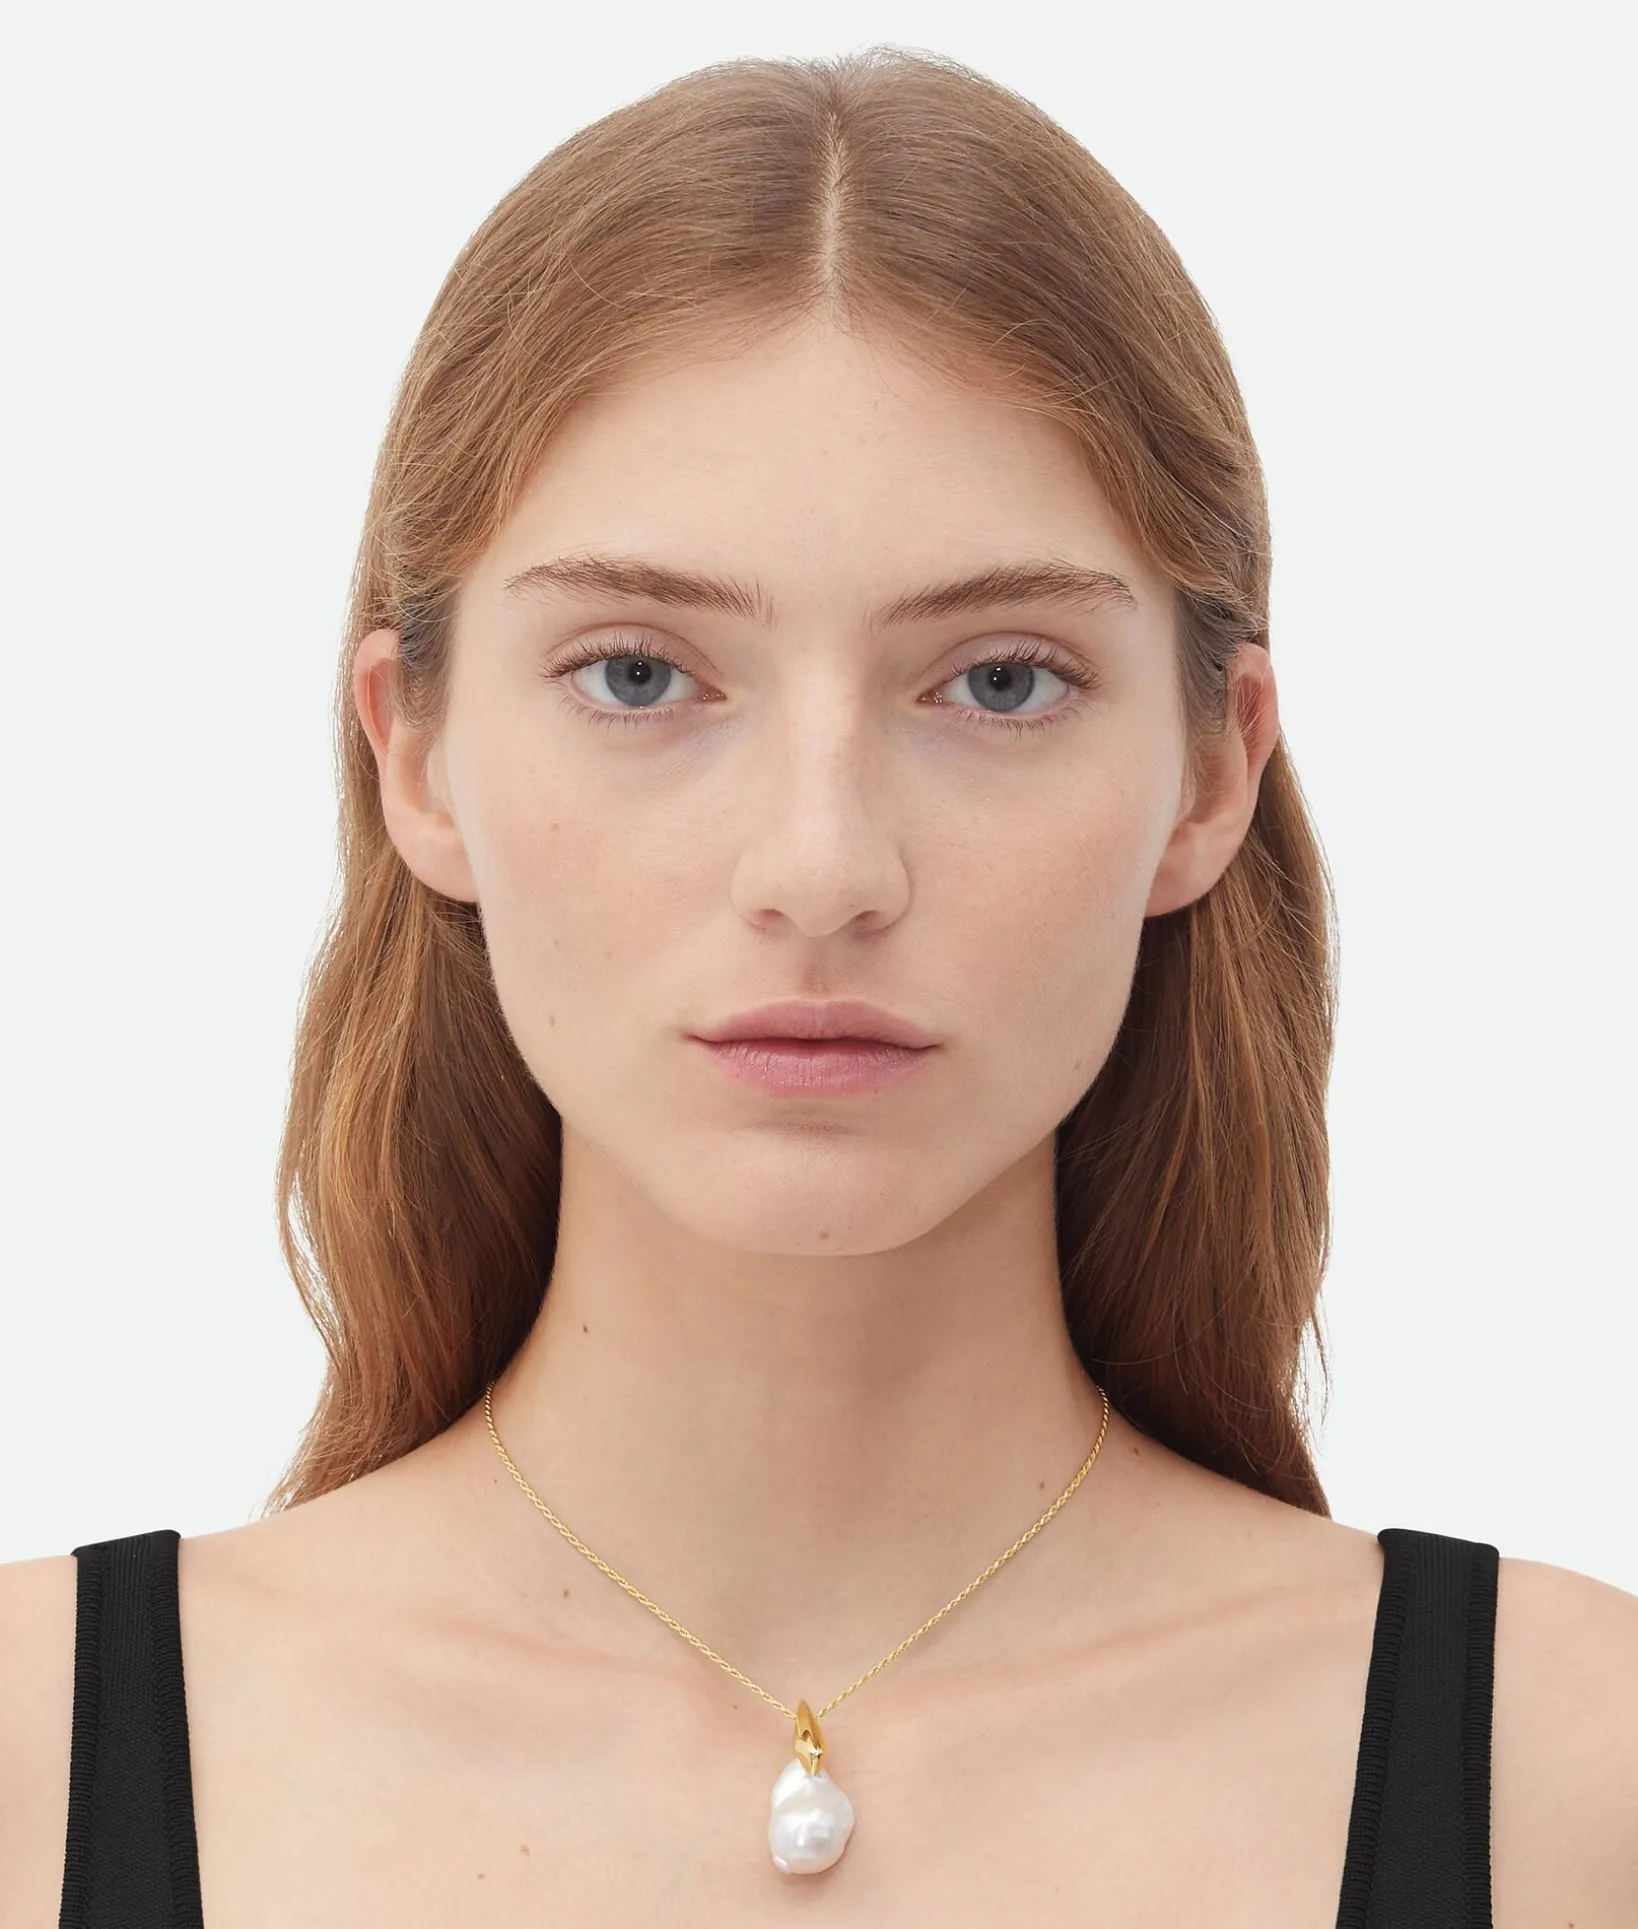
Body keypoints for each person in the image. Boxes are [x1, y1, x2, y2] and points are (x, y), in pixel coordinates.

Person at [3, 45, 1634, 1927]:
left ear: (1209, 774)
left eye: (999, 681)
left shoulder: (1570, 1778)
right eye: (638, 674)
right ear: (416, 754)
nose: (821, 867)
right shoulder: (34, 1753)